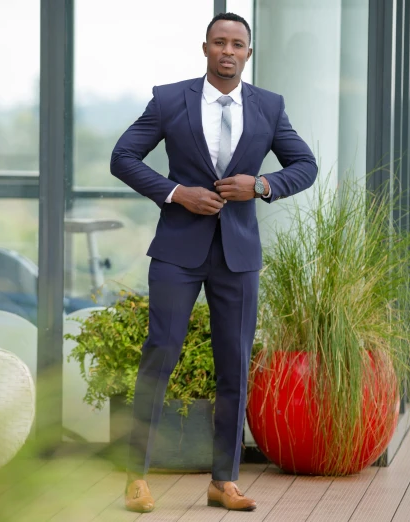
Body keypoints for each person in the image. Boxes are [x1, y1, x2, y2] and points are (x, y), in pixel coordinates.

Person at [110, 12, 318, 513]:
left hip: (238, 254)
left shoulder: (269, 106)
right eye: (219, 42)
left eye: (237, 44)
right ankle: (135, 476)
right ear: (205, 48)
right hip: (178, 252)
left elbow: (305, 165)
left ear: (248, 52)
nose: (228, 51)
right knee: (159, 354)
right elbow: (124, 157)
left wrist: (261, 186)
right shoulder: (168, 100)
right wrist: (177, 193)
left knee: (234, 364)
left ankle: (223, 481)